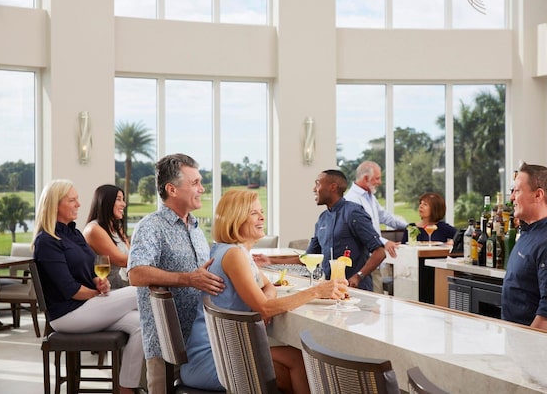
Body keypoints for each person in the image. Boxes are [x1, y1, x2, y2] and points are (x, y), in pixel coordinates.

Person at [181, 189, 347, 393]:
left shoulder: (236, 251)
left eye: (261, 211)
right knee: (299, 362)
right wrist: (316, 291)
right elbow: (266, 307)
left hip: (223, 351)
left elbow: (268, 288)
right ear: (236, 218)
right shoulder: (233, 254)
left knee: (291, 367)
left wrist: (263, 306)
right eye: (253, 213)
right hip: (212, 358)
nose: (262, 217)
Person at [32, 180, 143, 394]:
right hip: (67, 315)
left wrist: (98, 282)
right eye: (72, 200)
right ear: (55, 205)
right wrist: (97, 293)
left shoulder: (73, 233)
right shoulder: (46, 241)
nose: (79, 204)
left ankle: (126, 388)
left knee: (141, 323)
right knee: (140, 292)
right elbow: (70, 289)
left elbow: (91, 271)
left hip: (87, 307)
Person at [128, 153, 225, 394]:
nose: (202, 189)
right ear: (172, 189)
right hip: (166, 345)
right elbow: (136, 274)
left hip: (201, 343)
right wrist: (187, 279)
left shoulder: (195, 228)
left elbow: (206, 272)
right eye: (195, 183)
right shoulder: (151, 226)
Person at [502, 163, 547, 332]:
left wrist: (526, 350)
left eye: (517, 191)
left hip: (535, 351)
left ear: (538, 195)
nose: (512, 197)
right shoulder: (529, 231)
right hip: (517, 342)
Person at [345, 161, 407, 293]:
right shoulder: (352, 200)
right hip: (365, 262)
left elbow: (385, 216)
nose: (379, 182)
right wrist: (384, 242)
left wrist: (410, 226)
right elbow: (363, 232)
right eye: (377, 178)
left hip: (375, 260)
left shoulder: (370, 196)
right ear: (366, 178)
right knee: (373, 304)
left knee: (377, 302)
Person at [83, 184, 130, 289]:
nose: (124, 204)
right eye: (119, 199)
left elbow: (131, 254)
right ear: (105, 202)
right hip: (102, 288)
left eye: (123, 200)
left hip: (118, 284)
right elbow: (121, 260)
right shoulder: (93, 230)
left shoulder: (117, 228)